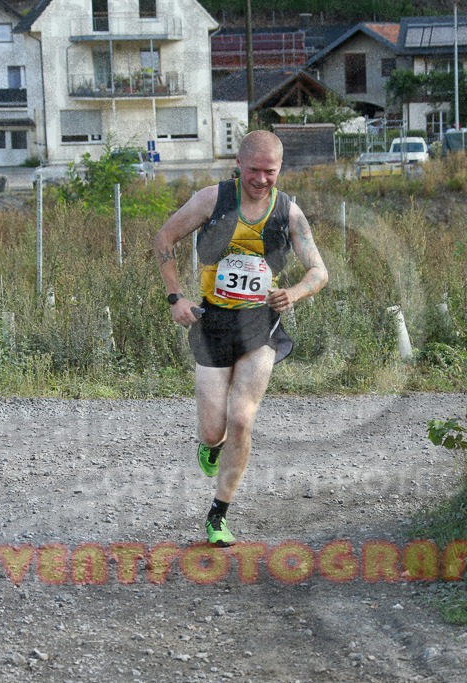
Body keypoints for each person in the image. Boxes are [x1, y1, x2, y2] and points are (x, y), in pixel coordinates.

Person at [153, 130, 329, 547]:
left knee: (242, 418)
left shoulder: (289, 213)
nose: (262, 179)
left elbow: (319, 271)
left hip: (259, 326)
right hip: (212, 324)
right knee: (213, 430)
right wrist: (176, 298)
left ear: (280, 169)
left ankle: (219, 514)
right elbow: (164, 238)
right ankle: (210, 446)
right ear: (238, 163)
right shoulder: (211, 200)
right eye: (254, 170)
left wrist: (296, 292)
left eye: (270, 172)